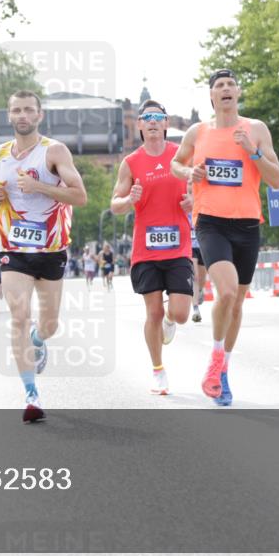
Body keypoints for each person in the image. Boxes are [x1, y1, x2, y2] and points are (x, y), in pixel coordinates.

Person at [171, 69, 279, 406]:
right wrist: (189, 171)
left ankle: (223, 371)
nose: (225, 89)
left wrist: (253, 151)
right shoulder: (198, 131)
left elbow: (276, 179)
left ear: (238, 93)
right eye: (219, 86)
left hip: (248, 224)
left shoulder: (256, 129)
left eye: (230, 85)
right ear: (211, 96)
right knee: (228, 291)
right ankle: (216, 359)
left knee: (236, 305)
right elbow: (177, 164)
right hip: (210, 222)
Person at [0, 89, 87, 422]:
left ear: (39, 115)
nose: (22, 116)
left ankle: (38, 340)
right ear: (9, 115)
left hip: (50, 247)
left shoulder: (54, 151)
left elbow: (80, 196)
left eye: (29, 110)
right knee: (18, 315)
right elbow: (1, 192)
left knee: (49, 324)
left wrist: (42, 187)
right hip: (13, 247)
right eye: (16, 110)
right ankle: (31, 395)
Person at [112, 99, 194, 395]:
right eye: (147, 118)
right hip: (145, 251)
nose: (152, 122)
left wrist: (192, 201)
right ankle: (158, 371)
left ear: (165, 123)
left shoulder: (180, 155)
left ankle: (173, 321)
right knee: (153, 313)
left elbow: (199, 189)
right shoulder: (131, 162)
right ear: (140, 125)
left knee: (181, 313)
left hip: (178, 246)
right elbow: (115, 205)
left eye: (158, 117)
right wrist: (129, 200)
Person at [190, 218, 206, 323]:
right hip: (190, 246)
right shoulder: (185, 206)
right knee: (195, 276)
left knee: (201, 278)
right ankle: (195, 309)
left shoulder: (202, 205)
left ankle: (200, 290)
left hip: (204, 245)